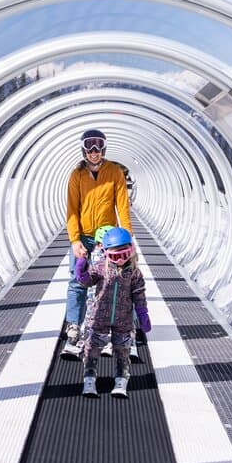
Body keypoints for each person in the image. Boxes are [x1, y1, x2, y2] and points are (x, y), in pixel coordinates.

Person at [63, 129, 131, 351]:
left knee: (108, 280)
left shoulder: (114, 172)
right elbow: (72, 210)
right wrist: (75, 240)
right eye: (90, 146)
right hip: (83, 235)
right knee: (78, 279)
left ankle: (107, 324)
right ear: (84, 149)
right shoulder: (77, 175)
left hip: (107, 238)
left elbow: (122, 206)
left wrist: (127, 237)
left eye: (98, 146)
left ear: (104, 148)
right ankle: (74, 323)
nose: (94, 151)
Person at [73, 226, 150, 398]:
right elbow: (87, 281)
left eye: (125, 255)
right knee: (92, 346)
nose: (121, 260)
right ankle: (89, 377)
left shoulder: (135, 273)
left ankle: (121, 378)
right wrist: (81, 267)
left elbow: (139, 296)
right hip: (99, 317)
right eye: (116, 256)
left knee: (122, 349)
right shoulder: (101, 267)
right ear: (106, 253)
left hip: (123, 320)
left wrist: (143, 315)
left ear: (131, 251)